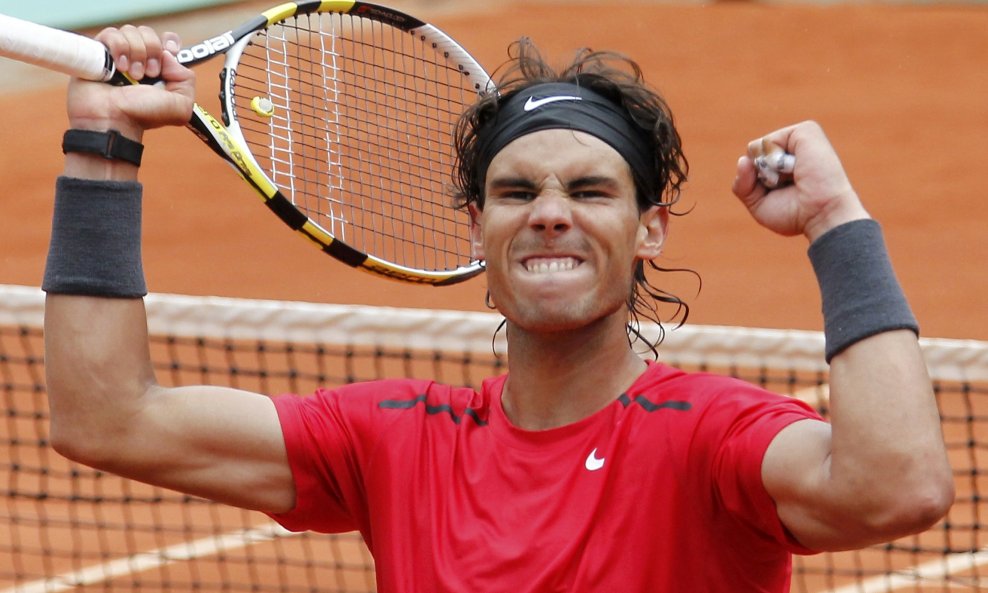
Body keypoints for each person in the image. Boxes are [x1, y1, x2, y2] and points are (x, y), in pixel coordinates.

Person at [42, 25, 953, 593]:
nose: (550, 209)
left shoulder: (707, 434)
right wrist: (102, 145)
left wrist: (838, 222)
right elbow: (109, 417)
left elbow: (898, 485)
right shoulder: (395, 440)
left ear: (650, 231)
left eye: (592, 190)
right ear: (479, 228)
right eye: (517, 191)